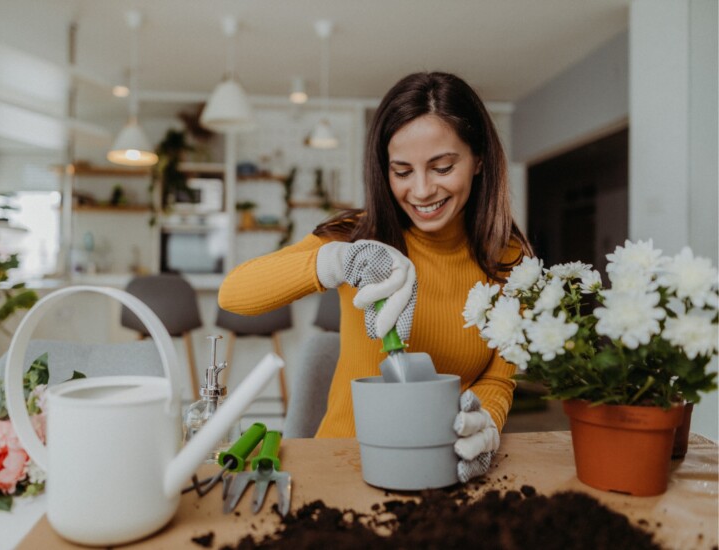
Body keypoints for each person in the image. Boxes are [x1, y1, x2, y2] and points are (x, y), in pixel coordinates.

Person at [218, 71, 531, 481]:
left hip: (441, 468)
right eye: (402, 171)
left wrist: (484, 423)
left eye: (441, 167)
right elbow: (233, 294)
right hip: (340, 463)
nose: (421, 191)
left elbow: (497, 378)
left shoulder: (509, 260)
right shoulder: (359, 238)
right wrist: (335, 262)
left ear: (478, 162)